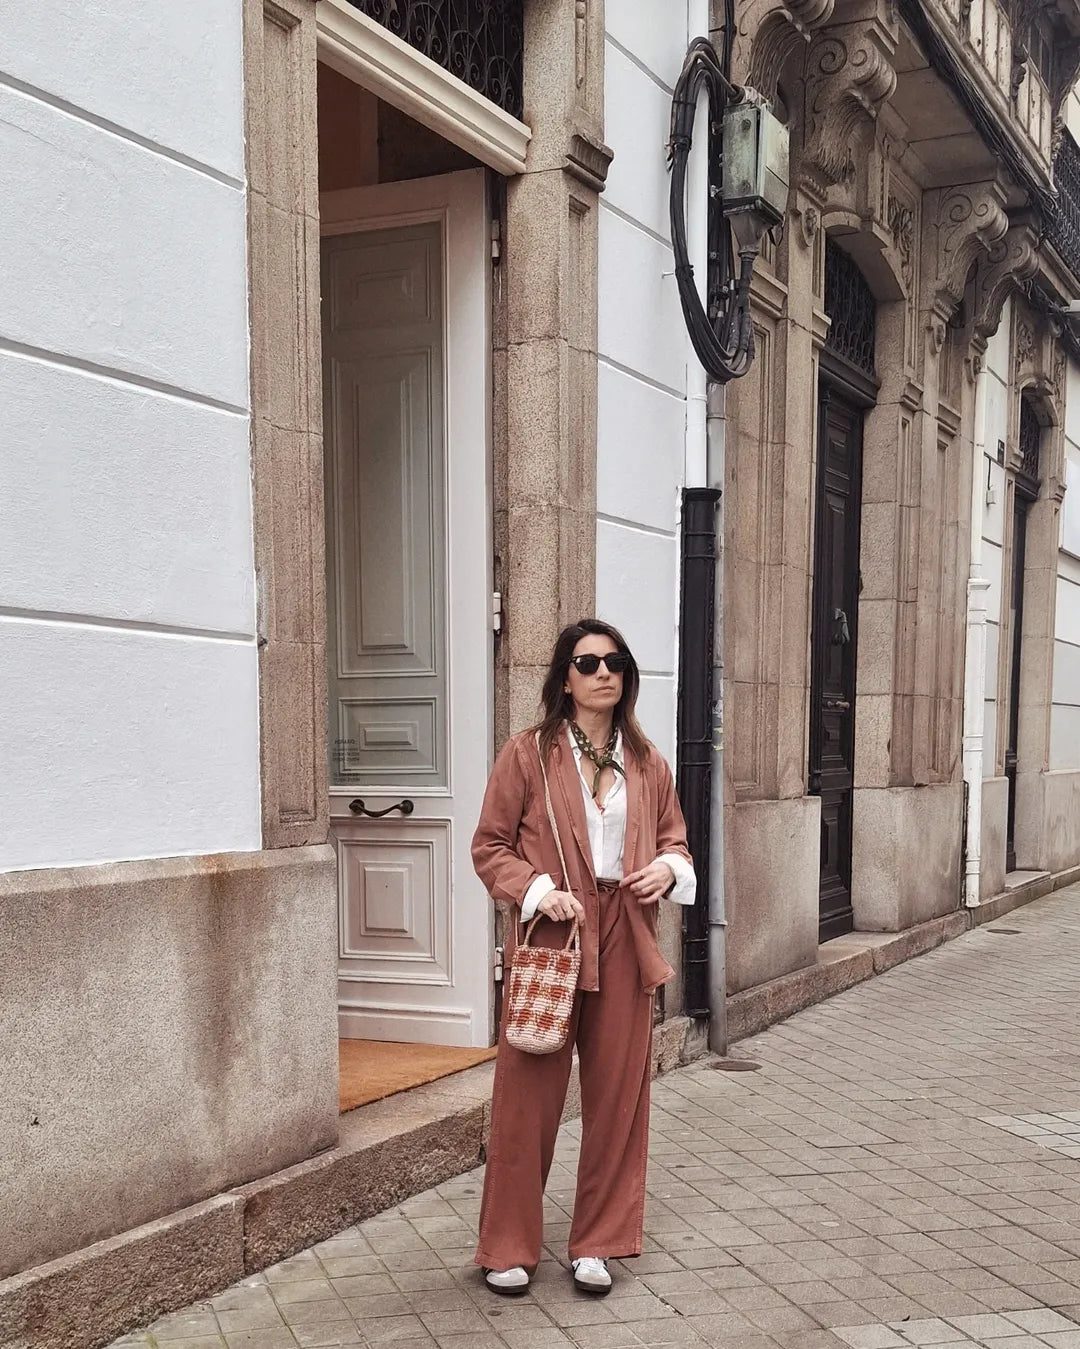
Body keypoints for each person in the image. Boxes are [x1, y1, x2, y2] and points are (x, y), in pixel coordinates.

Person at [471, 618, 696, 1296]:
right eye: (588, 662)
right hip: (553, 935)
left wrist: (667, 868)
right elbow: (490, 847)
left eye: (615, 662)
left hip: (627, 931)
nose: (604, 672)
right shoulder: (527, 755)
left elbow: (678, 842)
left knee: (619, 1095)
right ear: (564, 679)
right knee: (526, 1096)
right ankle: (508, 1245)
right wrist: (539, 890)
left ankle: (597, 1242)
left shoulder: (649, 762)